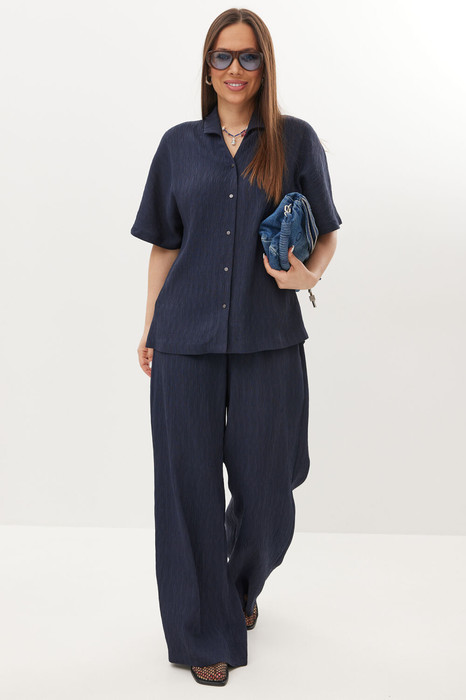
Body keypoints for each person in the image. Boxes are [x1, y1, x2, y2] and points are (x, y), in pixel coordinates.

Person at [130, 8, 342, 687]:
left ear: (265, 65)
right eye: (222, 57)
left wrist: (308, 277)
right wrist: (148, 324)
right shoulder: (177, 146)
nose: (235, 70)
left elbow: (327, 231)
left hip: (269, 338)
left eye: (249, 57)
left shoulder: (295, 140)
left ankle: (236, 585)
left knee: (271, 491)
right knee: (187, 490)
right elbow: (165, 244)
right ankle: (203, 632)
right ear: (206, 66)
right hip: (184, 339)